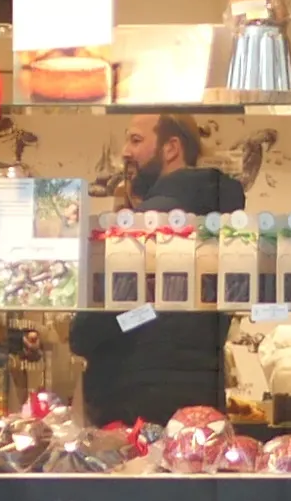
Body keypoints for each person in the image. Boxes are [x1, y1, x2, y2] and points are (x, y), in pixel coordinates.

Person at [67, 113, 246, 432]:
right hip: (201, 413)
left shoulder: (145, 225)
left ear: (171, 148)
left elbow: (88, 331)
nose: (124, 151)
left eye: (136, 140)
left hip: (136, 419)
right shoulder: (222, 219)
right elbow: (167, 313)